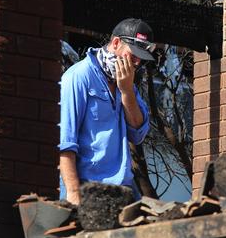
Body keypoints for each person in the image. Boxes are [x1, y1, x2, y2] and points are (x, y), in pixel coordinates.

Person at [59, 18, 156, 205]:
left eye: (141, 58)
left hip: (123, 188)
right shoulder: (78, 77)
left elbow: (138, 133)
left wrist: (127, 91)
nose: (136, 63)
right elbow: (65, 142)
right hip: (87, 188)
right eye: (133, 54)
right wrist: (72, 193)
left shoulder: (126, 83)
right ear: (116, 43)